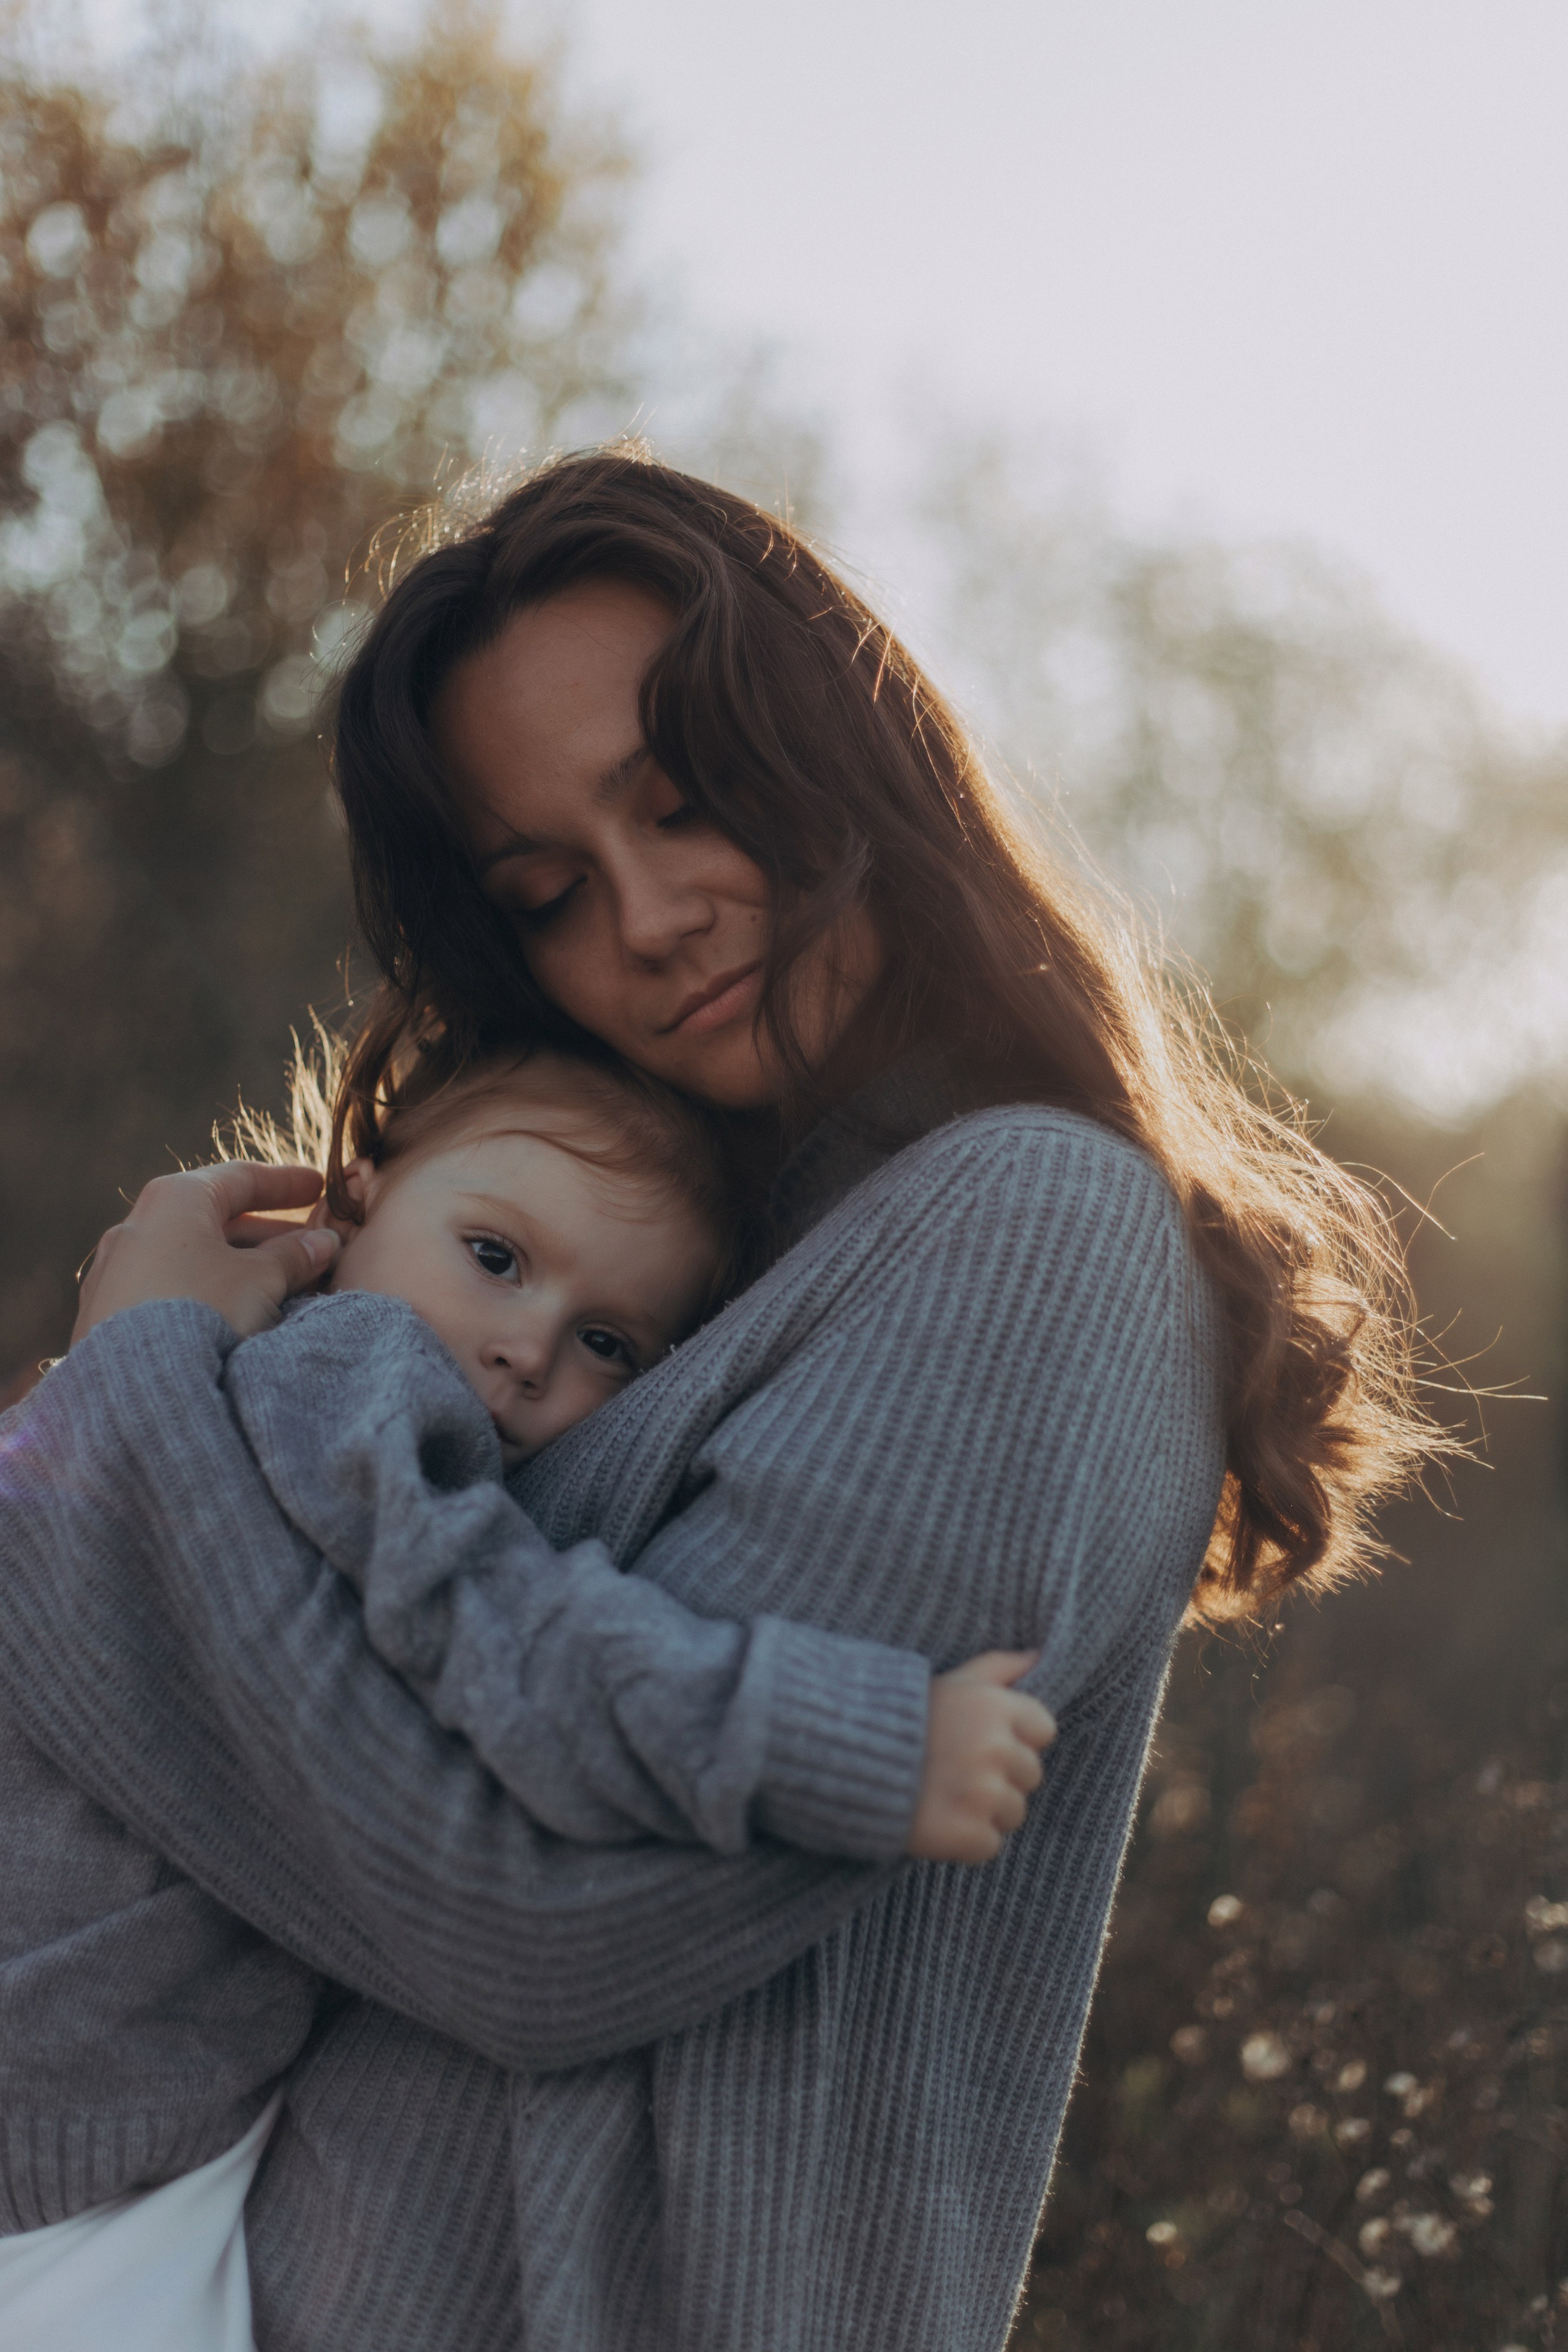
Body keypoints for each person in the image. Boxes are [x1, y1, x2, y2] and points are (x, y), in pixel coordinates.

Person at [0, 448, 1442, 2352]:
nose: (654, 917)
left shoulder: (1031, 1231)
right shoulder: (687, 1275)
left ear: (849, 756)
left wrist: (139, 1386)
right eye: (551, 889)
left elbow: (546, 1926)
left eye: (685, 805)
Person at [0, 1036, 1052, 2350]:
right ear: (355, 1199)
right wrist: (853, 1741)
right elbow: (507, 1635)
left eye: (605, 1341)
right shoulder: (350, 1379)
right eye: (495, 1258)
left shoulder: (229, 1405)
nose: (522, 1352)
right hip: (76, 2166)